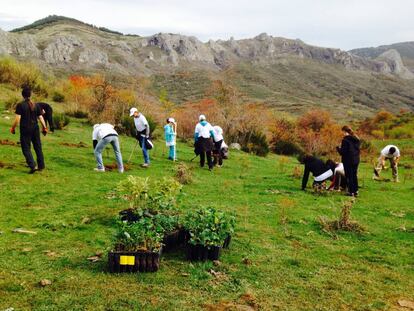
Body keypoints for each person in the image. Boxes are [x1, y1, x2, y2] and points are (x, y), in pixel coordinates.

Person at [10, 86, 48, 174]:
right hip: (35, 128)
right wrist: (44, 127)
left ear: (23, 95)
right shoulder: (36, 105)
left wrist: (13, 128)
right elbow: (41, 117)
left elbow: (17, 119)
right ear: (30, 95)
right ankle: (41, 165)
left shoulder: (21, 105)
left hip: (25, 129)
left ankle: (33, 165)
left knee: (26, 148)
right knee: (38, 147)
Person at [336, 125, 360, 197]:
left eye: (342, 132)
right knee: (354, 175)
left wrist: (338, 148)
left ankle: (351, 192)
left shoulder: (345, 140)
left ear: (345, 131)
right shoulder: (356, 139)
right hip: (356, 159)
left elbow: (343, 152)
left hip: (348, 160)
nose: (342, 134)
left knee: (349, 176)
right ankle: (356, 191)